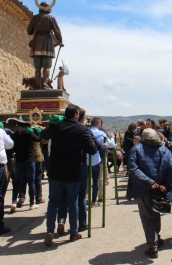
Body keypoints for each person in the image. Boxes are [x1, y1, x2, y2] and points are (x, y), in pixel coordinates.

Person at [40, 105, 97, 246]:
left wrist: (52, 125)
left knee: (53, 201)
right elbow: (92, 150)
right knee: (73, 202)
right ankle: (73, 232)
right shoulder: (82, 129)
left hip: (55, 171)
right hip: (73, 171)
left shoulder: (56, 126)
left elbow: (43, 136)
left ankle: (49, 230)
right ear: (76, 115)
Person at [126, 128, 172, 258]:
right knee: (155, 213)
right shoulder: (164, 149)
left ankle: (152, 246)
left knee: (147, 216)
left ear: (143, 137)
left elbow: (133, 168)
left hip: (143, 188)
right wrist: (165, 185)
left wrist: (149, 182)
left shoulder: (136, 149)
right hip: (159, 188)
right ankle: (156, 237)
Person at [27, 1, 63, 89]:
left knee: (37, 68)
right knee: (47, 66)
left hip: (37, 43)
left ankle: (38, 85)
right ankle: (44, 83)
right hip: (47, 43)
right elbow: (57, 31)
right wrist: (60, 41)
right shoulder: (51, 18)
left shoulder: (35, 18)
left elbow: (29, 31)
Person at [10, 126, 42, 212]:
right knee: (31, 182)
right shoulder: (29, 134)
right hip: (29, 160)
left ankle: (14, 201)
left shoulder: (15, 135)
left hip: (19, 161)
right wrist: (35, 130)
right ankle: (32, 203)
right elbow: (38, 138)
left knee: (17, 183)